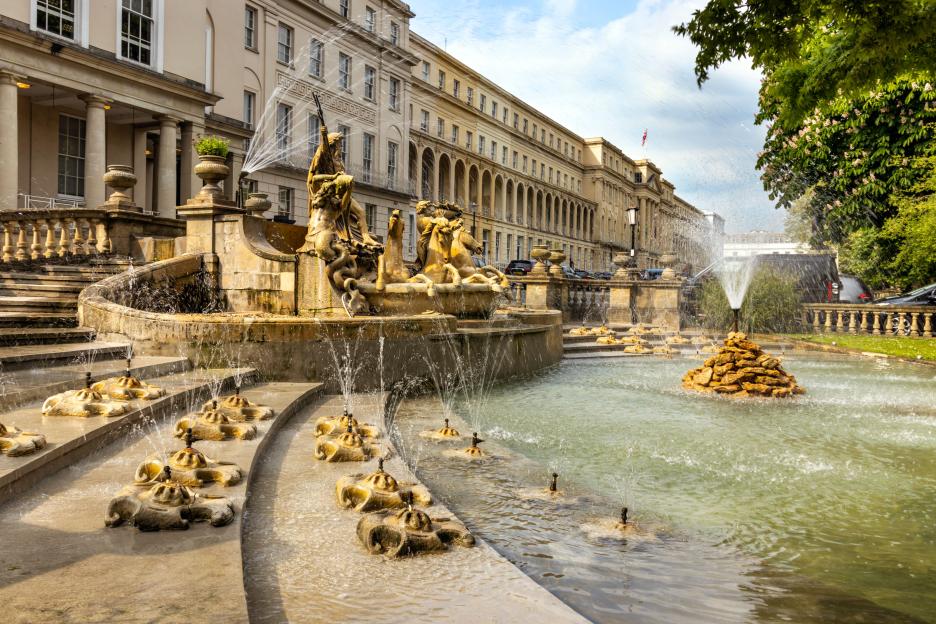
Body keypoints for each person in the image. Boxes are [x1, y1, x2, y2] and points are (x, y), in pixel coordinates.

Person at [307, 126, 379, 247]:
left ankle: (366, 238)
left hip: (343, 192)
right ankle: (344, 237)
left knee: (360, 212)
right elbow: (315, 175)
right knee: (338, 216)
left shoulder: (338, 159)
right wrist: (324, 135)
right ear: (333, 144)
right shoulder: (325, 158)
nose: (341, 146)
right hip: (332, 194)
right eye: (339, 144)